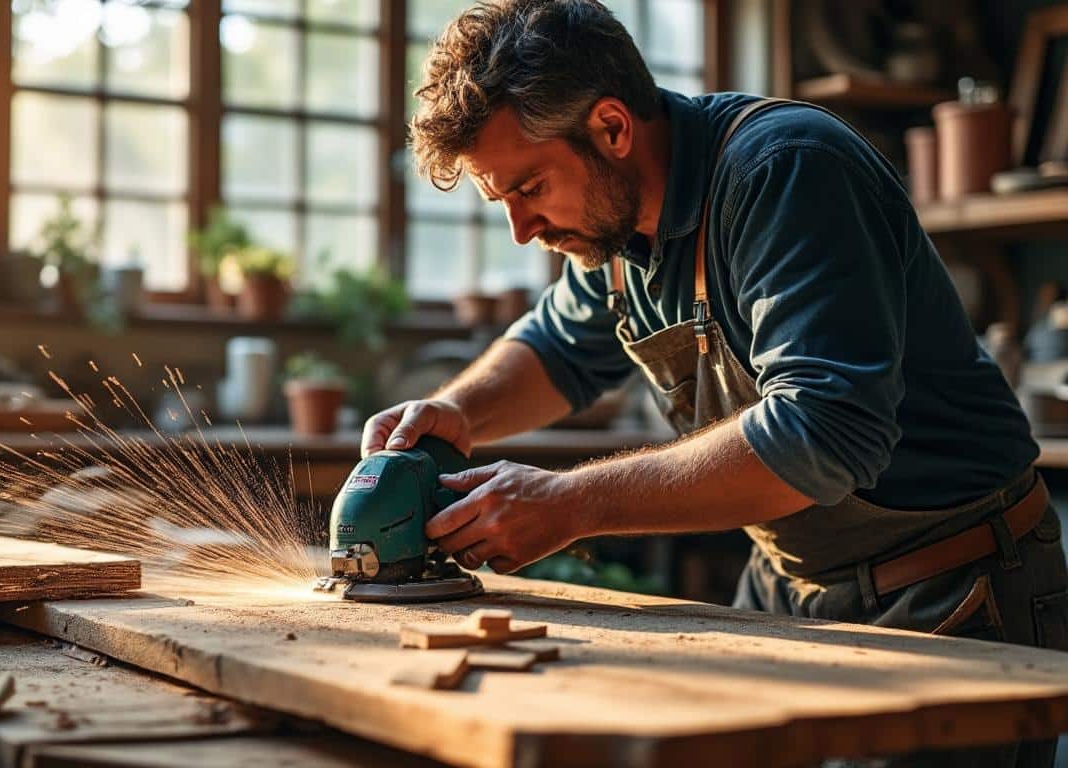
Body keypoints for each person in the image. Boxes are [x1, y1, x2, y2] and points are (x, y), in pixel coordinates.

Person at [363, 2, 1068, 764]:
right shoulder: (612, 228)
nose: (521, 230)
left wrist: (570, 503)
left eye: (529, 187)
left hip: (949, 591)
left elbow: (823, 432)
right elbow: (557, 348)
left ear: (612, 128)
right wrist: (455, 411)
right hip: (790, 589)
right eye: (500, 200)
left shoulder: (784, 172)